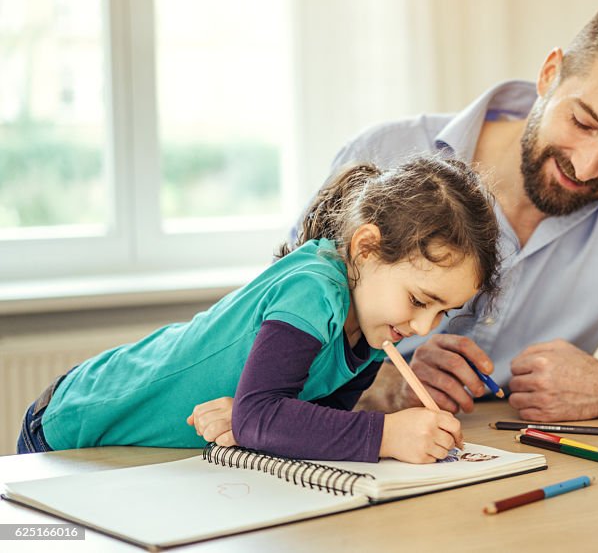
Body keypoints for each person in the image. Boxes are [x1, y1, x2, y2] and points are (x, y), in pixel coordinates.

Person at [190, 0, 598, 440]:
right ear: (550, 74)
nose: (586, 164)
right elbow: (263, 342)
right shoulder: (382, 157)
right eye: (582, 121)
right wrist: (383, 378)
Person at [17, 157, 501, 464]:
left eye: (443, 313)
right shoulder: (313, 288)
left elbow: (301, 422)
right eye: (419, 300)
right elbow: (264, 417)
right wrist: (387, 435)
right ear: (367, 248)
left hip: (145, 457)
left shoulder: (375, 331)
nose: (421, 327)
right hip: (75, 424)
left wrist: (255, 419)